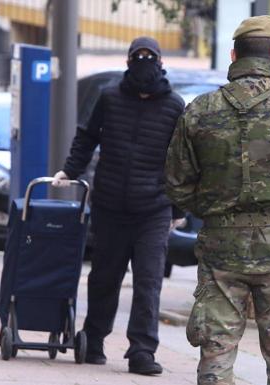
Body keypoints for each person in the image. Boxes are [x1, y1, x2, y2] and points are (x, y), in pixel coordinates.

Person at [165, 15, 270, 385]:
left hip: (222, 247)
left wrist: (212, 207)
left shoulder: (201, 111)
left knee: (216, 358)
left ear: (234, 54)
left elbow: (175, 182)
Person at [52, 36, 185, 375]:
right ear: (128, 62)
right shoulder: (109, 97)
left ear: (160, 64)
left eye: (150, 57)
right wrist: (70, 170)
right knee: (104, 278)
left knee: (148, 280)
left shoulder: (174, 106)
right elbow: (87, 136)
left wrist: (180, 210)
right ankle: (94, 340)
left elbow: (182, 160)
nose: (144, 62)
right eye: (137, 57)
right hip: (111, 204)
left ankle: (142, 351)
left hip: (153, 209)